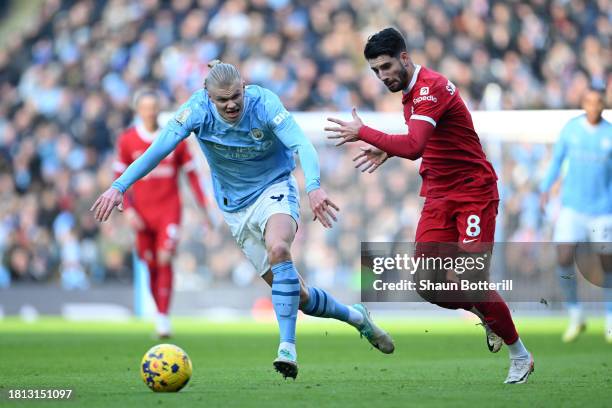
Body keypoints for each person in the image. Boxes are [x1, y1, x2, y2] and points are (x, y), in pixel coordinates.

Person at [92, 61, 394, 380]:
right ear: (208, 97)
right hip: (235, 208)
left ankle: (287, 347)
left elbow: (302, 144)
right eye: (223, 100)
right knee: (299, 297)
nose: (232, 104)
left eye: (236, 95)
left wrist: (314, 187)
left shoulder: (264, 103)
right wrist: (118, 187)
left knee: (279, 248)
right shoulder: (195, 110)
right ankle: (356, 318)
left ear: (244, 88)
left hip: (275, 187)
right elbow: (157, 150)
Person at [326, 27, 533, 384]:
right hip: (438, 194)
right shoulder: (411, 93)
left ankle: (521, 355)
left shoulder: (430, 88)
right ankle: (490, 314)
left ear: (404, 58)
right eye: (376, 70)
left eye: (387, 66)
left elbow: (414, 146)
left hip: (473, 193)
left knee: (470, 279)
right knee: (429, 284)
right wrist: (387, 148)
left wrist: (365, 133)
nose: (382, 76)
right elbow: (424, 142)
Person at [112, 88, 211, 338]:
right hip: (142, 214)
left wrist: (204, 207)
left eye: (154, 107)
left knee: (165, 257)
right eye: (145, 108)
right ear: (138, 110)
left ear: (159, 109)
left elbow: (192, 176)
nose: (150, 112)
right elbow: (119, 177)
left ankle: (164, 319)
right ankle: (160, 312)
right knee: (151, 265)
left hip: (168, 209)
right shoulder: (127, 140)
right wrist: (129, 210)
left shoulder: (174, 136)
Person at [540, 87, 612, 343]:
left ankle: (610, 319)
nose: (594, 106)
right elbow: (557, 161)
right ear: (583, 103)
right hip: (572, 207)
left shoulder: (609, 134)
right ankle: (575, 314)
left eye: (599, 102)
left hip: (603, 210)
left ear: (604, 104)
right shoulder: (571, 129)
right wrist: (545, 189)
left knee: (607, 263)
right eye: (590, 101)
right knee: (563, 256)